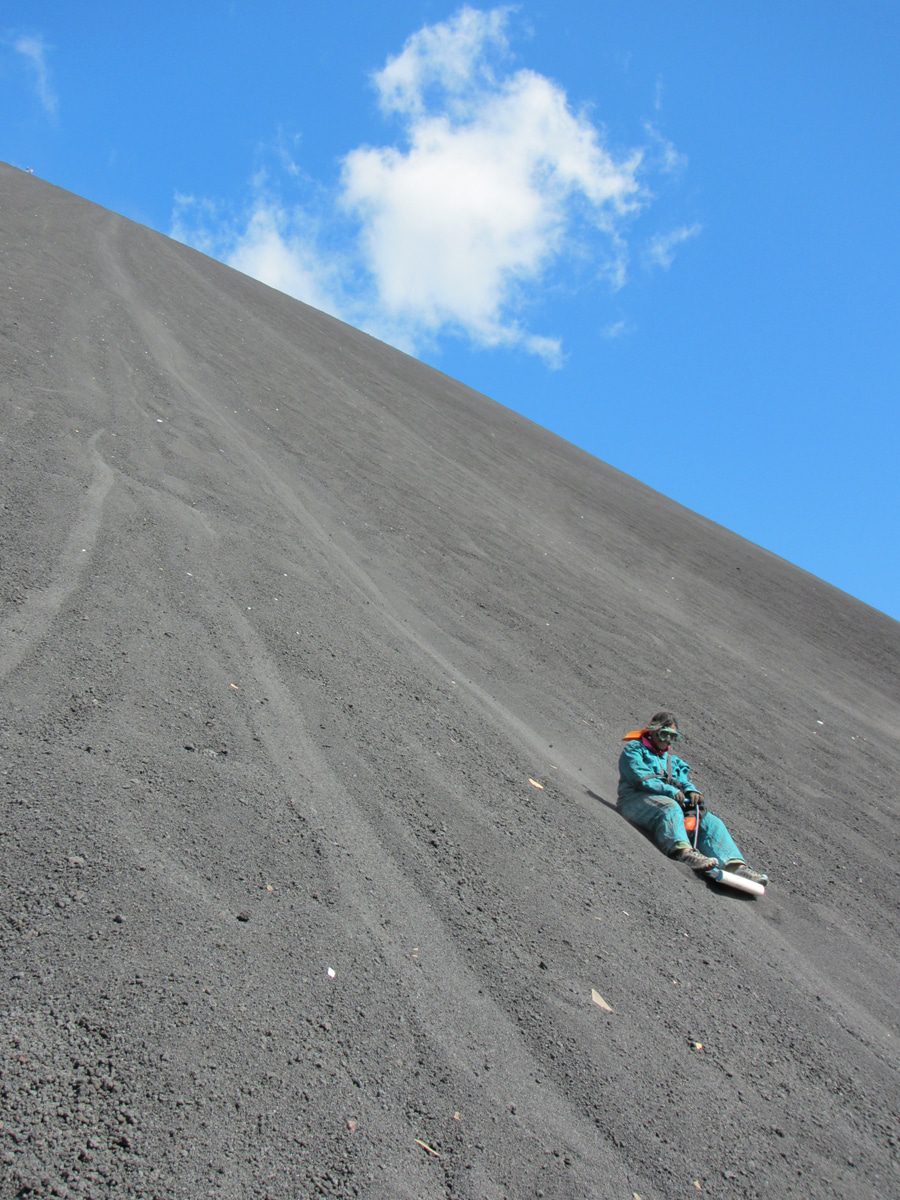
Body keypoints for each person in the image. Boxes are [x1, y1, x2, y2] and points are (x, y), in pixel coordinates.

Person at [617, 711, 768, 884]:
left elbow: (683, 780)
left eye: (672, 737)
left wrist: (692, 791)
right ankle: (684, 852)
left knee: (711, 822)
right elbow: (641, 777)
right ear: (653, 731)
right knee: (670, 807)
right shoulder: (635, 750)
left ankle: (735, 866)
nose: (666, 740)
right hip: (635, 801)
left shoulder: (672, 761)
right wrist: (670, 790)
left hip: (666, 801)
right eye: (664, 734)